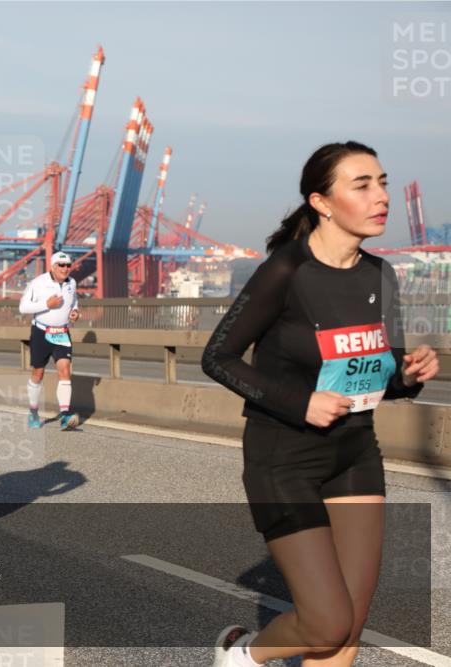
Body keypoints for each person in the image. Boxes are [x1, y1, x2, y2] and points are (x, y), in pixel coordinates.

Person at [202, 142, 439, 667]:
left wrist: (407, 375)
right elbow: (218, 357)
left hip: (355, 454)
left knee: (346, 627)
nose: (381, 197)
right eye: (363, 185)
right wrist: (299, 402)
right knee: (326, 621)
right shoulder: (287, 271)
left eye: (382, 182)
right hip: (282, 459)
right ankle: (240, 655)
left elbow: (382, 372)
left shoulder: (381, 275)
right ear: (322, 202)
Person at [19, 251, 81, 430]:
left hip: (61, 332)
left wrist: (75, 312)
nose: (65, 268)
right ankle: (33, 413)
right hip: (41, 332)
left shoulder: (72, 283)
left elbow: (74, 301)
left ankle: (64, 415)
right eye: (61, 265)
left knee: (65, 370)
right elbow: (23, 307)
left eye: (68, 265)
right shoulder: (38, 283)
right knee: (38, 374)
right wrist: (47, 305)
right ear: (52, 266)